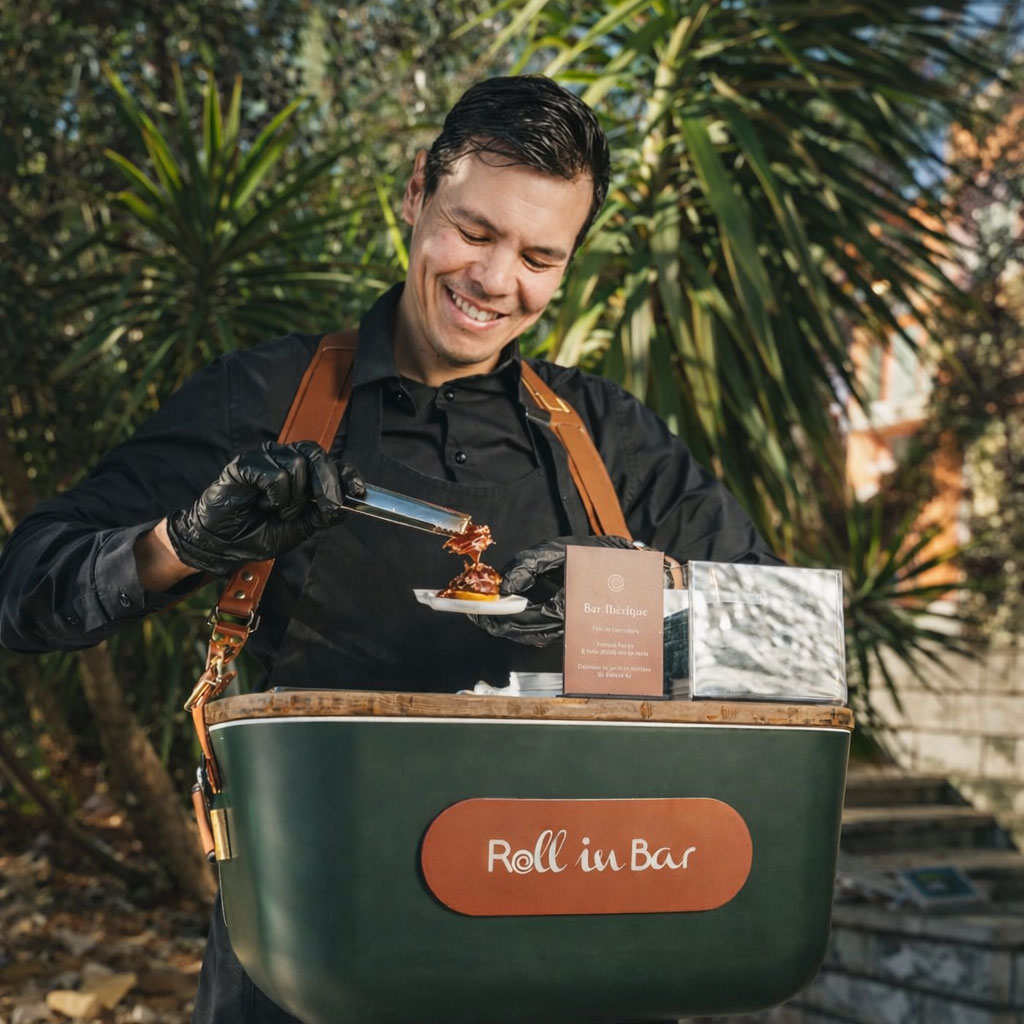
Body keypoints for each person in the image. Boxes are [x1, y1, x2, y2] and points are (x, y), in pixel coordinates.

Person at [0, 75, 778, 1022]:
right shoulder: (268, 399)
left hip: (556, 954)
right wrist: (185, 543)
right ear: (417, 193)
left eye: (539, 255)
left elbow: (784, 647)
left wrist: (644, 599)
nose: (496, 282)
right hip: (304, 962)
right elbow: (27, 587)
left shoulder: (609, 440)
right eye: (475, 231)